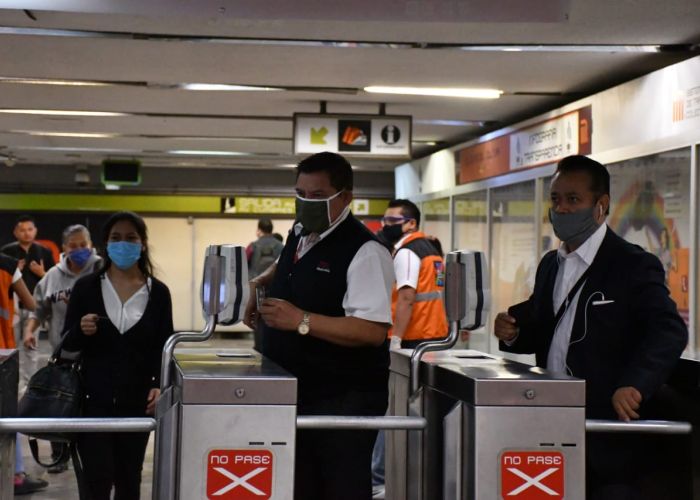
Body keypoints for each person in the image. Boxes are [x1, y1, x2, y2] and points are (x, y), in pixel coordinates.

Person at [493, 155, 688, 498]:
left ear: (601, 206)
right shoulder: (551, 265)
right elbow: (547, 327)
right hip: (552, 421)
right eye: (555, 200)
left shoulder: (632, 264)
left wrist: (635, 384)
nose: (562, 209)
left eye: (573, 200)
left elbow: (668, 330)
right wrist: (515, 333)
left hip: (607, 433)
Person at [243, 151, 395, 500]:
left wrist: (301, 321)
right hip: (300, 394)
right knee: (301, 484)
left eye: (317, 196)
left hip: (342, 399)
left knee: (338, 486)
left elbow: (370, 331)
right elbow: (289, 263)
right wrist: (260, 284)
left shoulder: (366, 251)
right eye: (300, 194)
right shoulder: (301, 232)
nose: (305, 203)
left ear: (345, 197)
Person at [61, 212, 174, 500]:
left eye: (131, 238)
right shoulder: (86, 288)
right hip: (92, 401)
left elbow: (164, 346)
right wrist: (80, 330)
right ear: (106, 245)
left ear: (143, 244)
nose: (123, 244)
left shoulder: (158, 293)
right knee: (96, 480)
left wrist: (158, 383)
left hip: (137, 403)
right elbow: (66, 344)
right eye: (116, 238)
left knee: (129, 478)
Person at [371, 199, 448, 498]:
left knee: (391, 408)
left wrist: (395, 340)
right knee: (417, 409)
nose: (385, 225)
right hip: (434, 339)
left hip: (411, 342)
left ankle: (379, 478)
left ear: (410, 223)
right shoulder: (432, 250)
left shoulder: (406, 252)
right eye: (384, 220)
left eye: (392, 221)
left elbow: (406, 298)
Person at [23, 224, 102, 473]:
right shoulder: (53, 277)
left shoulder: (102, 269)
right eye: (73, 245)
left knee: (93, 406)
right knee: (61, 404)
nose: (79, 250)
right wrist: (29, 330)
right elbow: (39, 308)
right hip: (65, 353)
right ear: (64, 247)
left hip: (98, 354)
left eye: (83, 245)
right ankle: (60, 453)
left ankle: (92, 452)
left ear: (90, 245)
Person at [0, 253, 48, 495]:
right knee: (7, 415)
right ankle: (16, 476)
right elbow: (32, 304)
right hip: (2, 352)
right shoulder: (7, 265)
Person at [1, 215, 56, 392]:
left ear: (35, 231)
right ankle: (11, 385)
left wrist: (41, 273)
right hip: (11, 309)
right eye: (22, 229)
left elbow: (54, 279)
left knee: (31, 348)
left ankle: (29, 386)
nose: (26, 233)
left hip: (35, 308)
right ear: (16, 232)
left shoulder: (44, 252)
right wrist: (16, 270)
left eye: (30, 229)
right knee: (10, 348)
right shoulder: (7, 254)